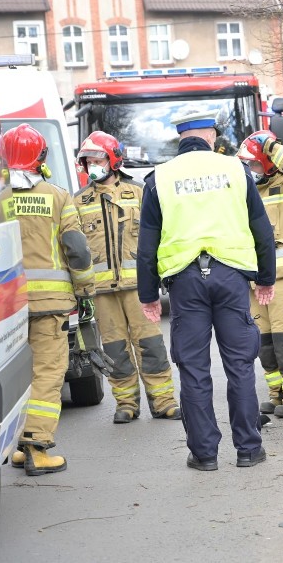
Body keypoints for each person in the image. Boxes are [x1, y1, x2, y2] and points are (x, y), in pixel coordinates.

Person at [137, 109, 276, 471]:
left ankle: (204, 455)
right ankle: (248, 450)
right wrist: (266, 278)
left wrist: (147, 295)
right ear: (210, 136)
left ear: (181, 138)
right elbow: (260, 226)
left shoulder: (160, 178)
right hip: (230, 279)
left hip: (185, 283)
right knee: (240, 366)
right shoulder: (236, 170)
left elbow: (147, 242)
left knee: (194, 370)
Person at [0, 124, 96, 475]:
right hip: (49, 305)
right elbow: (77, 250)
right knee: (47, 374)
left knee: (16, 376)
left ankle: (19, 444)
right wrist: (85, 289)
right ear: (41, 158)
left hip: (5, 308)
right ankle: (38, 448)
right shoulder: (57, 196)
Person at [73, 131, 181, 423]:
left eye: (97, 159)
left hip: (139, 288)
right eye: (87, 160)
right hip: (102, 292)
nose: (91, 165)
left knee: (151, 346)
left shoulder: (140, 192)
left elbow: (163, 233)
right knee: (115, 350)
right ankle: (126, 404)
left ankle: (164, 402)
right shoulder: (78, 201)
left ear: (112, 160)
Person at [237, 131, 283, 418]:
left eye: (255, 165)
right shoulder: (248, 193)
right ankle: (277, 395)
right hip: (255, 281)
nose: (251, 171)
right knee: (265, 345)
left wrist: (270, 145)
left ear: (268, 162)